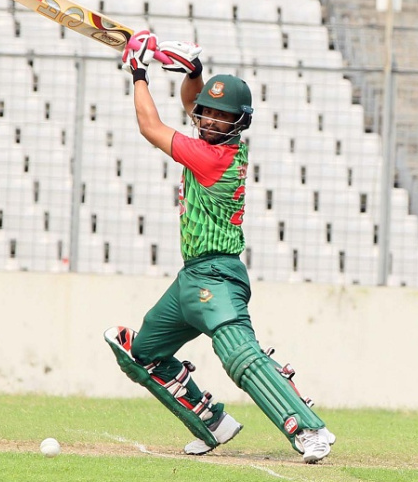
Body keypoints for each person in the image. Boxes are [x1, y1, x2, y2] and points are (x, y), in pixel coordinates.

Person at [103, 32, 335, 463]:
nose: (208, 119)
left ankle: (309, 430)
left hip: (218, 276)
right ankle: (212, 422)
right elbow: (190, 103)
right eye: (205, 113)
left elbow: (150, 126)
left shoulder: (214, 157)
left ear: (239, 122)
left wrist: (139, 72)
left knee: (239, 356)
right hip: (190, 278)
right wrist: (193, 72)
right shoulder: (209, 143)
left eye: (220, 115)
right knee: (142, 354)